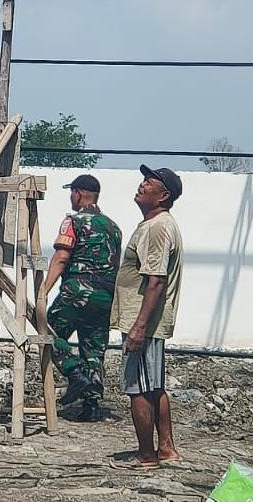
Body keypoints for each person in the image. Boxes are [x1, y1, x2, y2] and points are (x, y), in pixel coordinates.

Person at [109, 165, 184, 470]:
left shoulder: (157, 228)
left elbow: (156, 280)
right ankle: (166, 448)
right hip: (147, 319)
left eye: (149, 183)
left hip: (143, 322)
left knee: (138, 389)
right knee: (153, 385)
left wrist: (138, 327)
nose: (141, 186)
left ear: (163, 195)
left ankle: (146, 455)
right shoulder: (156, 224)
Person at [41, 174, 122, 422]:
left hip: (77, 290)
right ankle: (91, 406)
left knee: (46, 332)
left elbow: (62, 257)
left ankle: (74, 372)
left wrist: (43, 291)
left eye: (72, 193)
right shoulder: (114, 228)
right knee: (94, 349)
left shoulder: (73, 222)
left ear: (78, 193)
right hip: (105, 296)